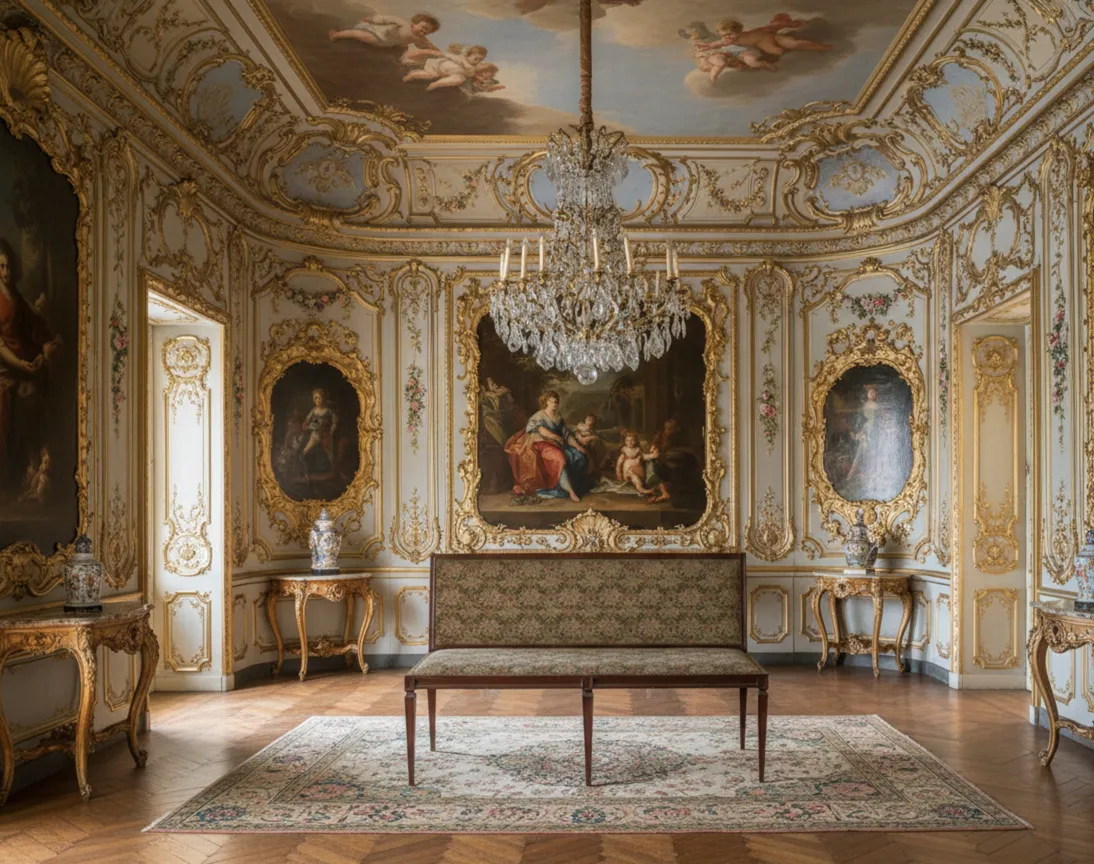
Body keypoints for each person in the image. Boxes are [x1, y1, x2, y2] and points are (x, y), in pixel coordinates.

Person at [0, 238, 59, 489]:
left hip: (23, 362)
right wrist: (21, 365)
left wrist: (39, 354)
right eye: (1, 267)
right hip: (5, 367)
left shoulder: (16, 296)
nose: (6, 272)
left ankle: (35, 466)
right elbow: (0, 346)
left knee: (42, 392)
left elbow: (30, 328)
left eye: (9, 266)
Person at [504, 390, 589, 502]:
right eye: (552, 402)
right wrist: (556, 437)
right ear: (546, 402)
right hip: (542, 444)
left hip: (557, 444)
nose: (554, 405)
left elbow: (567, 435)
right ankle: (571, 492)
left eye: (556, 402)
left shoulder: (558, 418)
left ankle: (572, 486)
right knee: (559, 458)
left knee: (579, 456)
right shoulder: (539, 416)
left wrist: (578, 447)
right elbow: (543, 431)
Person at [329, 12, 440, 56]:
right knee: (359, 30)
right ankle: (338, 34)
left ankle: (337, 35)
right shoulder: (404, 24)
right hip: (379, 32)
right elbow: (387, 19)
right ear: (415, 23)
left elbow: (428, 46)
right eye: (423, 28)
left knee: (359, 34)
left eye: (428, 31)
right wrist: (373, 20)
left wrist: (437, 51)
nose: (424, 32)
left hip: (380, 40)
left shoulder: (421, 39)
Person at [402, 44, 491, 92]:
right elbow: (447, 55)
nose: (477, 61)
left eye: (480, 59)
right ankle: (411, 75)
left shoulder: (473, 68)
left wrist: (479, 79)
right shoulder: (461, 58)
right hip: (442, 65)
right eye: (476, 58)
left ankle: (435, 84)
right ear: (468, 55)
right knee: (431, 74)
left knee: (458, 79)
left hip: (449, 73)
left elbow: (470, 75)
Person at [301, 388, 337, 476]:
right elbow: (306, 421)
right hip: (315, 434)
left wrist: (331, 432)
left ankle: (333, 471)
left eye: (319, 398)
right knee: (306, 450)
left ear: (323, 399)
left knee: (329, 452)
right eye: (315, 398)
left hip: (326, 434)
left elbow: (335, 422)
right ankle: (301, 468)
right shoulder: (313, 410)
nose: (317, 400)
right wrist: (306, 426)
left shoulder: (328, 411)